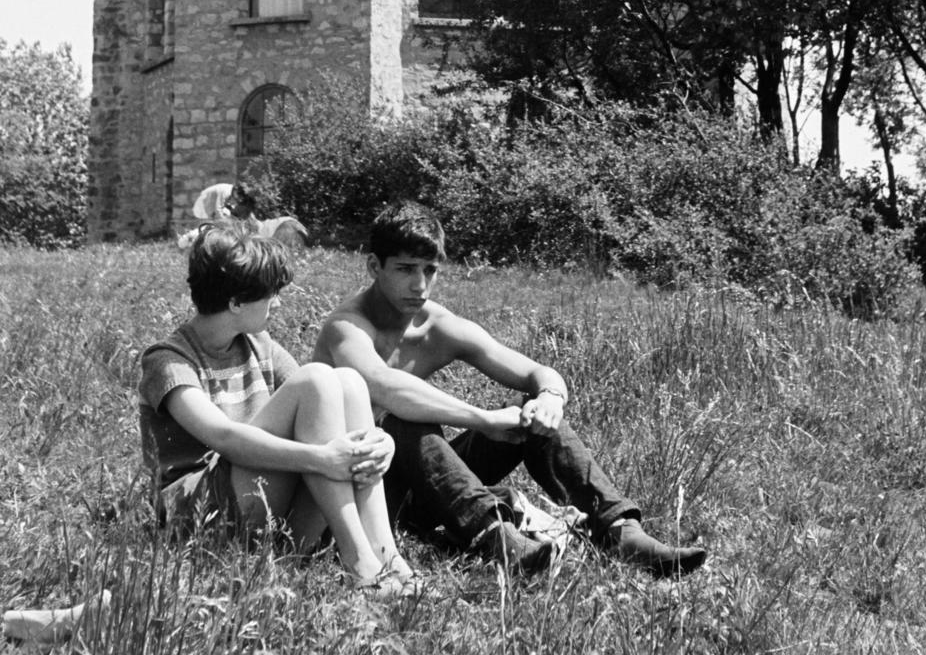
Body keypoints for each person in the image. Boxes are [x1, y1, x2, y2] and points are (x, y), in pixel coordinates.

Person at [312, 200, 707, 577]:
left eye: (430, 270)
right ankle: (498, 539)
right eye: (405, 268)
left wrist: (549, 400)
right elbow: (384, 387)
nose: (419, 285)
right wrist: (482, 419)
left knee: (528, 413)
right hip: (365, 493)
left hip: (429, 485)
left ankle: (621, 532)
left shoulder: (437, 326)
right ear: (373, 266)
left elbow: (539, 372)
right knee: (401, 422)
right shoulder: (346, 327)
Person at [139, 223, 415, 596]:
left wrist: (381, 441)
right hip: (204, 517)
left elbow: (327, 407)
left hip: (266, 511)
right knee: (317, 379)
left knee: (346, 382)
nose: (279, 303)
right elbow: (224, 438)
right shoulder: (168, 361)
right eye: (271, 294)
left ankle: (387, 555)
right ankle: (360, 564)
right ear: (236, 303)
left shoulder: (257, 343)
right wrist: (319, 458)